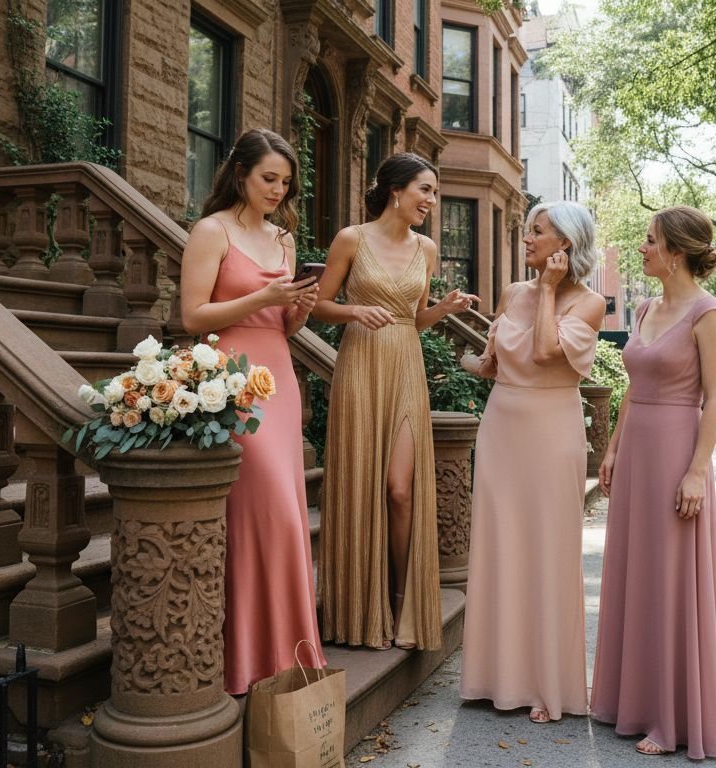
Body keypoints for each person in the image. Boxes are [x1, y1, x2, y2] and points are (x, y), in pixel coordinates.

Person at [178, 128, 325, 693]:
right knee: (261, 512)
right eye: (268, 178)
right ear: (240, 173)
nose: (277, 190)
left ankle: (287, 659)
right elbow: (193, 317)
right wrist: (264, 296)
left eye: (285, 182)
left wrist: (300, 306)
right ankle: (243, 660)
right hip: (230, 378)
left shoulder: (284, 239)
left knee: (286, 513)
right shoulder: (211, 231)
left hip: (278, 377)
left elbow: (284, 326)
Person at [313, 153, 478, 650]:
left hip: (406, 366)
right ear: (396, 191)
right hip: (360, 367)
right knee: (361, 481)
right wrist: (354, 311)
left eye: (434, 192)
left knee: (399, 488)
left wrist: (443, 309)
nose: (432, 201)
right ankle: (362, 608)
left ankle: (402, 602)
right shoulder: (352, 239)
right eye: (425, 190)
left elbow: (415, 318)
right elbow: (318, 305)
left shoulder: (426, 249)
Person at [592, 205, 716, 759]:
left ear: (676, 252)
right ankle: (628, 700)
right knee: (636, 573)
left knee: (670, 580)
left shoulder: (709, 313)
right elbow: (634, 387)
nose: (642, 248)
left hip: (677, 452)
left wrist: (696, 471)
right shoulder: (647, 307)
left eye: (650, 241)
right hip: (637, 453)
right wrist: (613, 447)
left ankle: (670, 718)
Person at [458, 201, 605, 723]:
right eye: (527, 230)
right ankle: (493, 677)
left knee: (547, 549)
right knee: (499, 544)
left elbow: (545, 352)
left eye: (536, 231)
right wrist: (465, 360)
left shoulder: (590, 302)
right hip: (501, 428)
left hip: (552, 433)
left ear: (565, 243)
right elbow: (492, 365)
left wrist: (547, 290)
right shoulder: (511, 293)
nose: (526, 238)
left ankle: (547, 685)